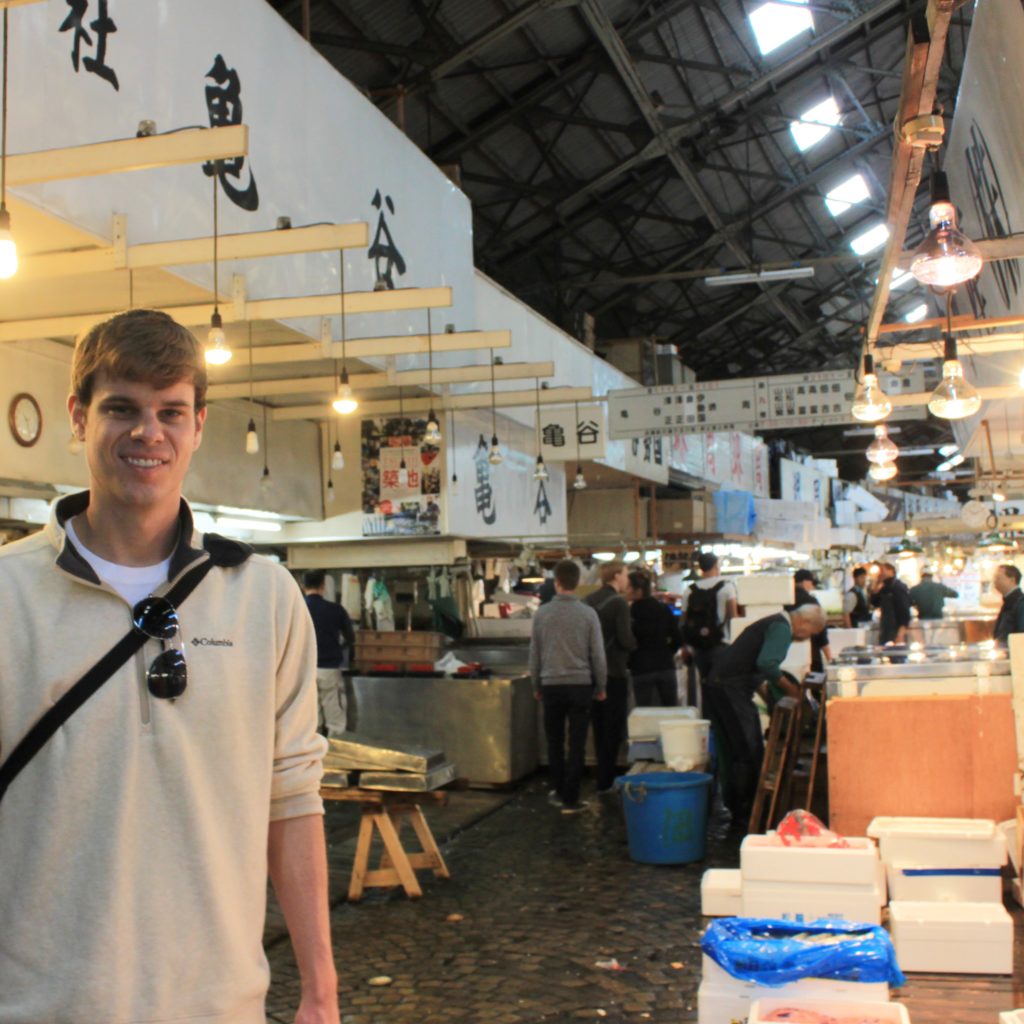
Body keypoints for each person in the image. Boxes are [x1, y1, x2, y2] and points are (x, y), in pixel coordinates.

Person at [0, 310, 338, 1024]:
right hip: (41, 1002)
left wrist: (320, 991)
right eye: (121, 408)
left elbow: (294, 800)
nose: (147, 432)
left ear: (197, 425)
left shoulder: (263, 597)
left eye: (170, 412)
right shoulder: (8, 595)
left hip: (217, 1001)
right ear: (78, 416)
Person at [703, 604, 826, 822]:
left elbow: (756, 668)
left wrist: (767, 695)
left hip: (721, 686)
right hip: (729, 689)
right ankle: (747, 810)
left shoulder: (772, 622)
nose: (805, 639)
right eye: (809, 634)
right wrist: (792, 690)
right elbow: (767, 664)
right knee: (747, 749)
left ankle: (740, 805)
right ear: (805, 623)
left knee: (734, 748)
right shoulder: (781, 628)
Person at [529, 559, 607, 813]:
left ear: (557, 582)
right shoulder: (588, 614)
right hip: (580, 686)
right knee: (577, 743)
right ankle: (571, 799)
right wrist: (601, 685)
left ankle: (558, 790)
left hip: (551, 685)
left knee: (554, 741)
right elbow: (597, 654)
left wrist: (536, 684)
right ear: (577, 583)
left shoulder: (542, 614)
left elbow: (535, 655)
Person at [583, 560, 637, 793]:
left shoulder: (587, 602)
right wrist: (636, 644)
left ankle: (600, 778)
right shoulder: (619, 604)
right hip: (613, 672)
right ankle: (606, 781)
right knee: (612, 729)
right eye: (625, 574)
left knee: (598, 726)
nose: (627, 579)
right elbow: (625, 639)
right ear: (615, 576)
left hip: (590, 674)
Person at [303, 569, 356, 737]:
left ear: (302, 586)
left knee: (310, 714)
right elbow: (350, 637)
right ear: (323, 586)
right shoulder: (335, 610)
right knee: (334, 713)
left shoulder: (296, 609)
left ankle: (313, 753)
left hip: (303, 670)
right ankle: (336, 752)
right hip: (329, 668)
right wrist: (338, 649)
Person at [627, 570, 683, 707]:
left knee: (645, 715)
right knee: (670, 712)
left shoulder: (630, 613)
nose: (625, 590)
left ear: (638, 590)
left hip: (641, 668)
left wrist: (630, 660)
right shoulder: (664, 609)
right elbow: (678, 637)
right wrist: (668, 652)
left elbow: (626, 640)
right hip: (665, 665)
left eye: (628, 587)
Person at [681, 552, 738, 683]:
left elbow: (683, 621)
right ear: (716, 566)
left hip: (697, 646)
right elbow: (733, 617)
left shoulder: (690, 590)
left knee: (702, 686)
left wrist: (685, 645)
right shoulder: (727, 586)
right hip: (721, 643)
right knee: (720, 685)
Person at [789, 568, 831, 672]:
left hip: (788, 653)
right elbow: (821, 630)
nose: (812, 587)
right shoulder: (811, 601)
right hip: (811, 652)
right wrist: (829, 657)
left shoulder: (784, 600)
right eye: (812, 583)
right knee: (813, 683)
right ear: (805, 582)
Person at [871, 561, 912, 644]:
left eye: (882, 570)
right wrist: (876, 584)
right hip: (885, 630)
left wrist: (900, 634)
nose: (880, 573)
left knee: (896, 655)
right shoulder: (884, 588)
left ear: (891, 571)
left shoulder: (898, 587)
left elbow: (904, 612)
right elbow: (875, 603)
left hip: (896, 632)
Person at [992, 564, 1024, 644]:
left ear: (1012, 580)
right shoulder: (1008, 601)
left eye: (998, 578)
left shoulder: (1020, 602)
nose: (995, 581)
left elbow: (1021, 635)